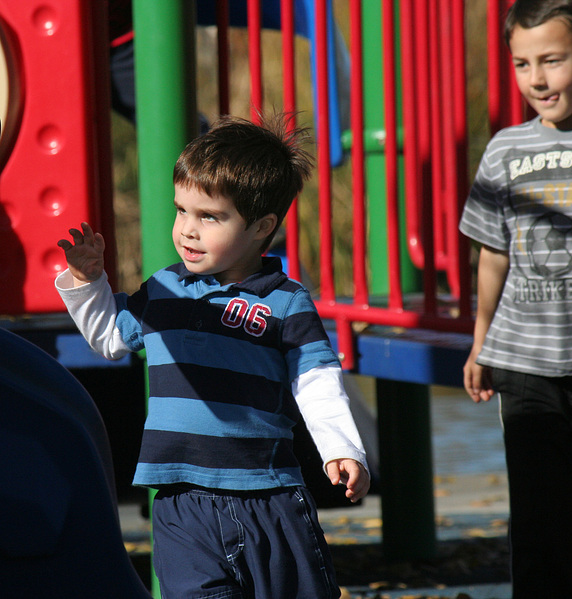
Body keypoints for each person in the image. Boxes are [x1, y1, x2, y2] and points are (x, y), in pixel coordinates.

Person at [56, 113, 369, 599]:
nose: (187, 230)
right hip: (180, 500)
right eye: (182, 210)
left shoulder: (284, 301)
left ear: (262, 226)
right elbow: (109, 338)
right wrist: (87, 282)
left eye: (210, 217)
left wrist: (342, 447)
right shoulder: (162, 289)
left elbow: (316, 379)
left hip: (269, 495)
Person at [459, 0, 572, 597]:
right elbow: (494, 253)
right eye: (521, 63)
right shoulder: (505, 150)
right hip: (525, 366)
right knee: (539, 527)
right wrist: (482, 341)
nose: (536, 79)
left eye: (553, 61)